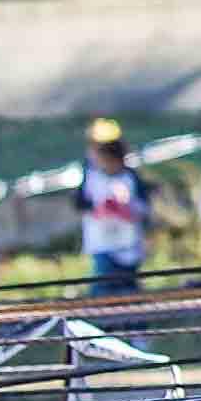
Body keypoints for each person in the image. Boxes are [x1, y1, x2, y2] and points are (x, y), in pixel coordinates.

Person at [72, 117, 154, 295]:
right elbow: (80, 204)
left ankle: (134, 321)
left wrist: (126, 209)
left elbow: (144, 209)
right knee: (102, 289)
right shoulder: (90, 177)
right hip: (102, 244)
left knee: (128, 289)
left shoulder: (130, 178)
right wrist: (99, 209)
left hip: (129, 245)